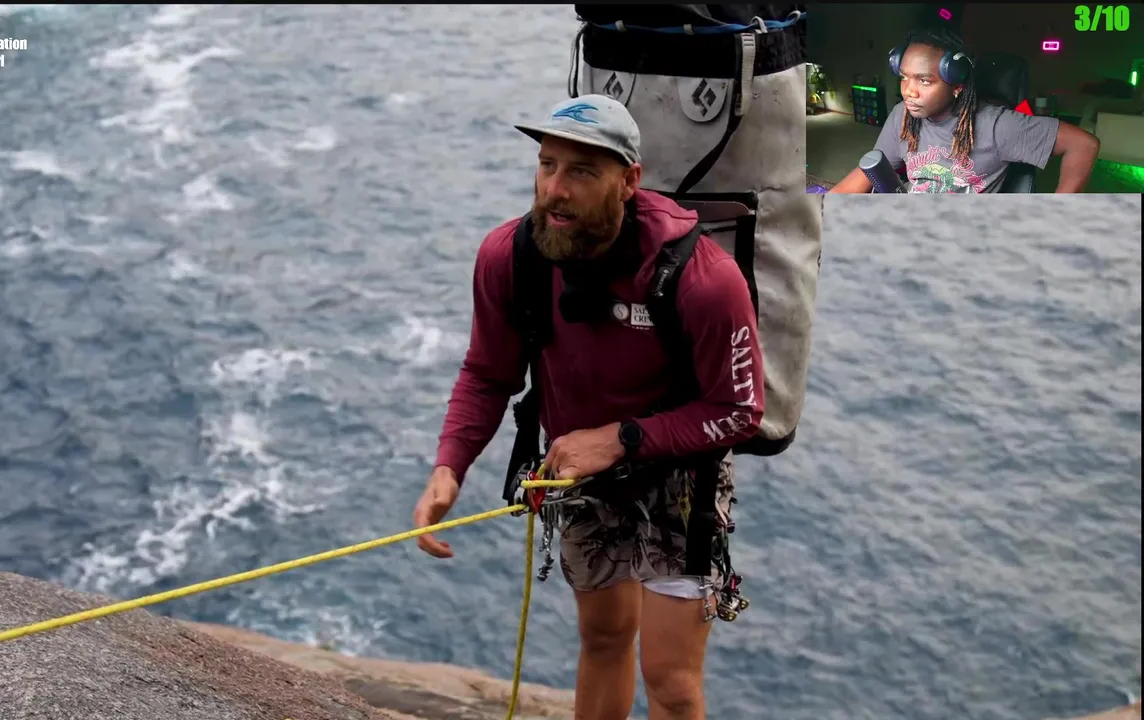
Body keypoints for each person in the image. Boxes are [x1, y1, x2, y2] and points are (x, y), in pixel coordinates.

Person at [411, 94, 765, 720]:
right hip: (579, 469)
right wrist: (449, 466)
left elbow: (739, 410)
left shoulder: (702, 279)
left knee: (670, 679)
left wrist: (621, 438)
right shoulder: (511, 257)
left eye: (581, 171)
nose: (555, 189)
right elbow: (488, 373)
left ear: (629, 181)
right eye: (547, 165)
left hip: (682, 476)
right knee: (602, 639)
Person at [829, 27, 1101, 194]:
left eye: (924, 81)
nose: (909, 91)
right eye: (904, 77)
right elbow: (871, 171)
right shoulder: (903, 114)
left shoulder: (996, 126)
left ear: (957, 85)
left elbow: (1084, 144)